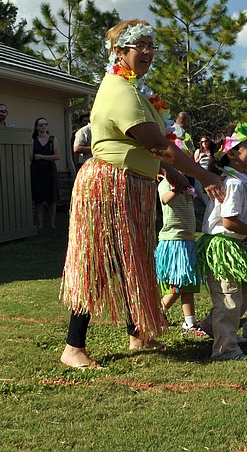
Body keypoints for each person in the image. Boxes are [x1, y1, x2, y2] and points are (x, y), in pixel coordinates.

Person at [59, 19, 225, 369]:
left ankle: (139, 334)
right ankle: (73, 346)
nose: (148, 51)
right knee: (98, 264)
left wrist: (171, 172)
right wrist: (202, 173)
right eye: (140, 46)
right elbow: (156, 144)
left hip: (131, 185)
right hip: (109, 185)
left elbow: (141, 146)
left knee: (134, 261)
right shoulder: (119, 90)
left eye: (151, 45)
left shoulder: (134, 89)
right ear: (120, 51)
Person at [195, 124, 247, 360]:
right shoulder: (232, 183)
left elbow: (242, 213)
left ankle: (215, 327)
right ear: (231, 153)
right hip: (224, 245)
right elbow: (228, 222)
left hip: (236, 245)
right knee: (228, 298)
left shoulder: (238, 178)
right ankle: (226, 350)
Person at [154, 173, 205, 337]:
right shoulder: (165, 184)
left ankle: (190, 322)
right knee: (178, 285)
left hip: (187, 241)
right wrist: (176, 190)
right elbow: (165, 199)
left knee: (187, 285)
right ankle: (157, 314)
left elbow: (189, 214)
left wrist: (204, 227)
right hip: (174, 242)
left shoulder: (187, 188)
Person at [30, 117, 60, 229]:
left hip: (50, 170)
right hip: (37, 171)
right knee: (38, 198)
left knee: (52, 198)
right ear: (37, 127)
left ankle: (52, 224)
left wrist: (42, 156)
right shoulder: (33, 139)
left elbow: (57, 156)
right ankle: (40, 224)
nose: (43, 127)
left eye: (45, 124)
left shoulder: (53, 139)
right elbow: (30, 156)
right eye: (41, 125)